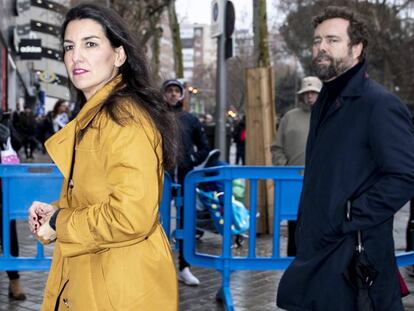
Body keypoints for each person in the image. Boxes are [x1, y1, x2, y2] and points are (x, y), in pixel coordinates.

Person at [27, 4, 178, 310]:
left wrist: (60, 221)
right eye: (69, 47)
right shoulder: (99, 115)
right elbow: (101, 198)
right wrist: (54, 213)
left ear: (119, 56)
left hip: (118, 287)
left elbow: (131, 215)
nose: (76, 57)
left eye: (90, 44)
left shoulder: (124, 118)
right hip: (100, 277)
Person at [277, 6, 414, 311]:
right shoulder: (325, 100)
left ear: (357, 47)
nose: (321, 47)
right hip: (319, 252)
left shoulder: (378, 104)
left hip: (355, 257)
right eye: (316, 40)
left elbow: (405, 176)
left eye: (332, 40)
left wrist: (350, 215)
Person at [162, 79, 210, 286]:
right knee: (158, 222)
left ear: (181, 95)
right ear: (163, 94)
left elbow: (204, 148)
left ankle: (184, 267)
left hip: (185, 180)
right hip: (160, 179)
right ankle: (159, 269)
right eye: (169, 91)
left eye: (176, 91)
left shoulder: (190, 120)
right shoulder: (155, 117)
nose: (173, 94)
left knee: (185, 223)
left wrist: (191, 160)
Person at [271, 76, 321, 256]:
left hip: (321, 182)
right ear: (301, 95)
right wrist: (285, 169)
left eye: (313, 92)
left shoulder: (330, 116)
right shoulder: (289, 117)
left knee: (319, 224)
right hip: (293, 181)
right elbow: (277, 147)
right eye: (306, 93)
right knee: (294, 224)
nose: (309, 96)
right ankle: (292, 265)